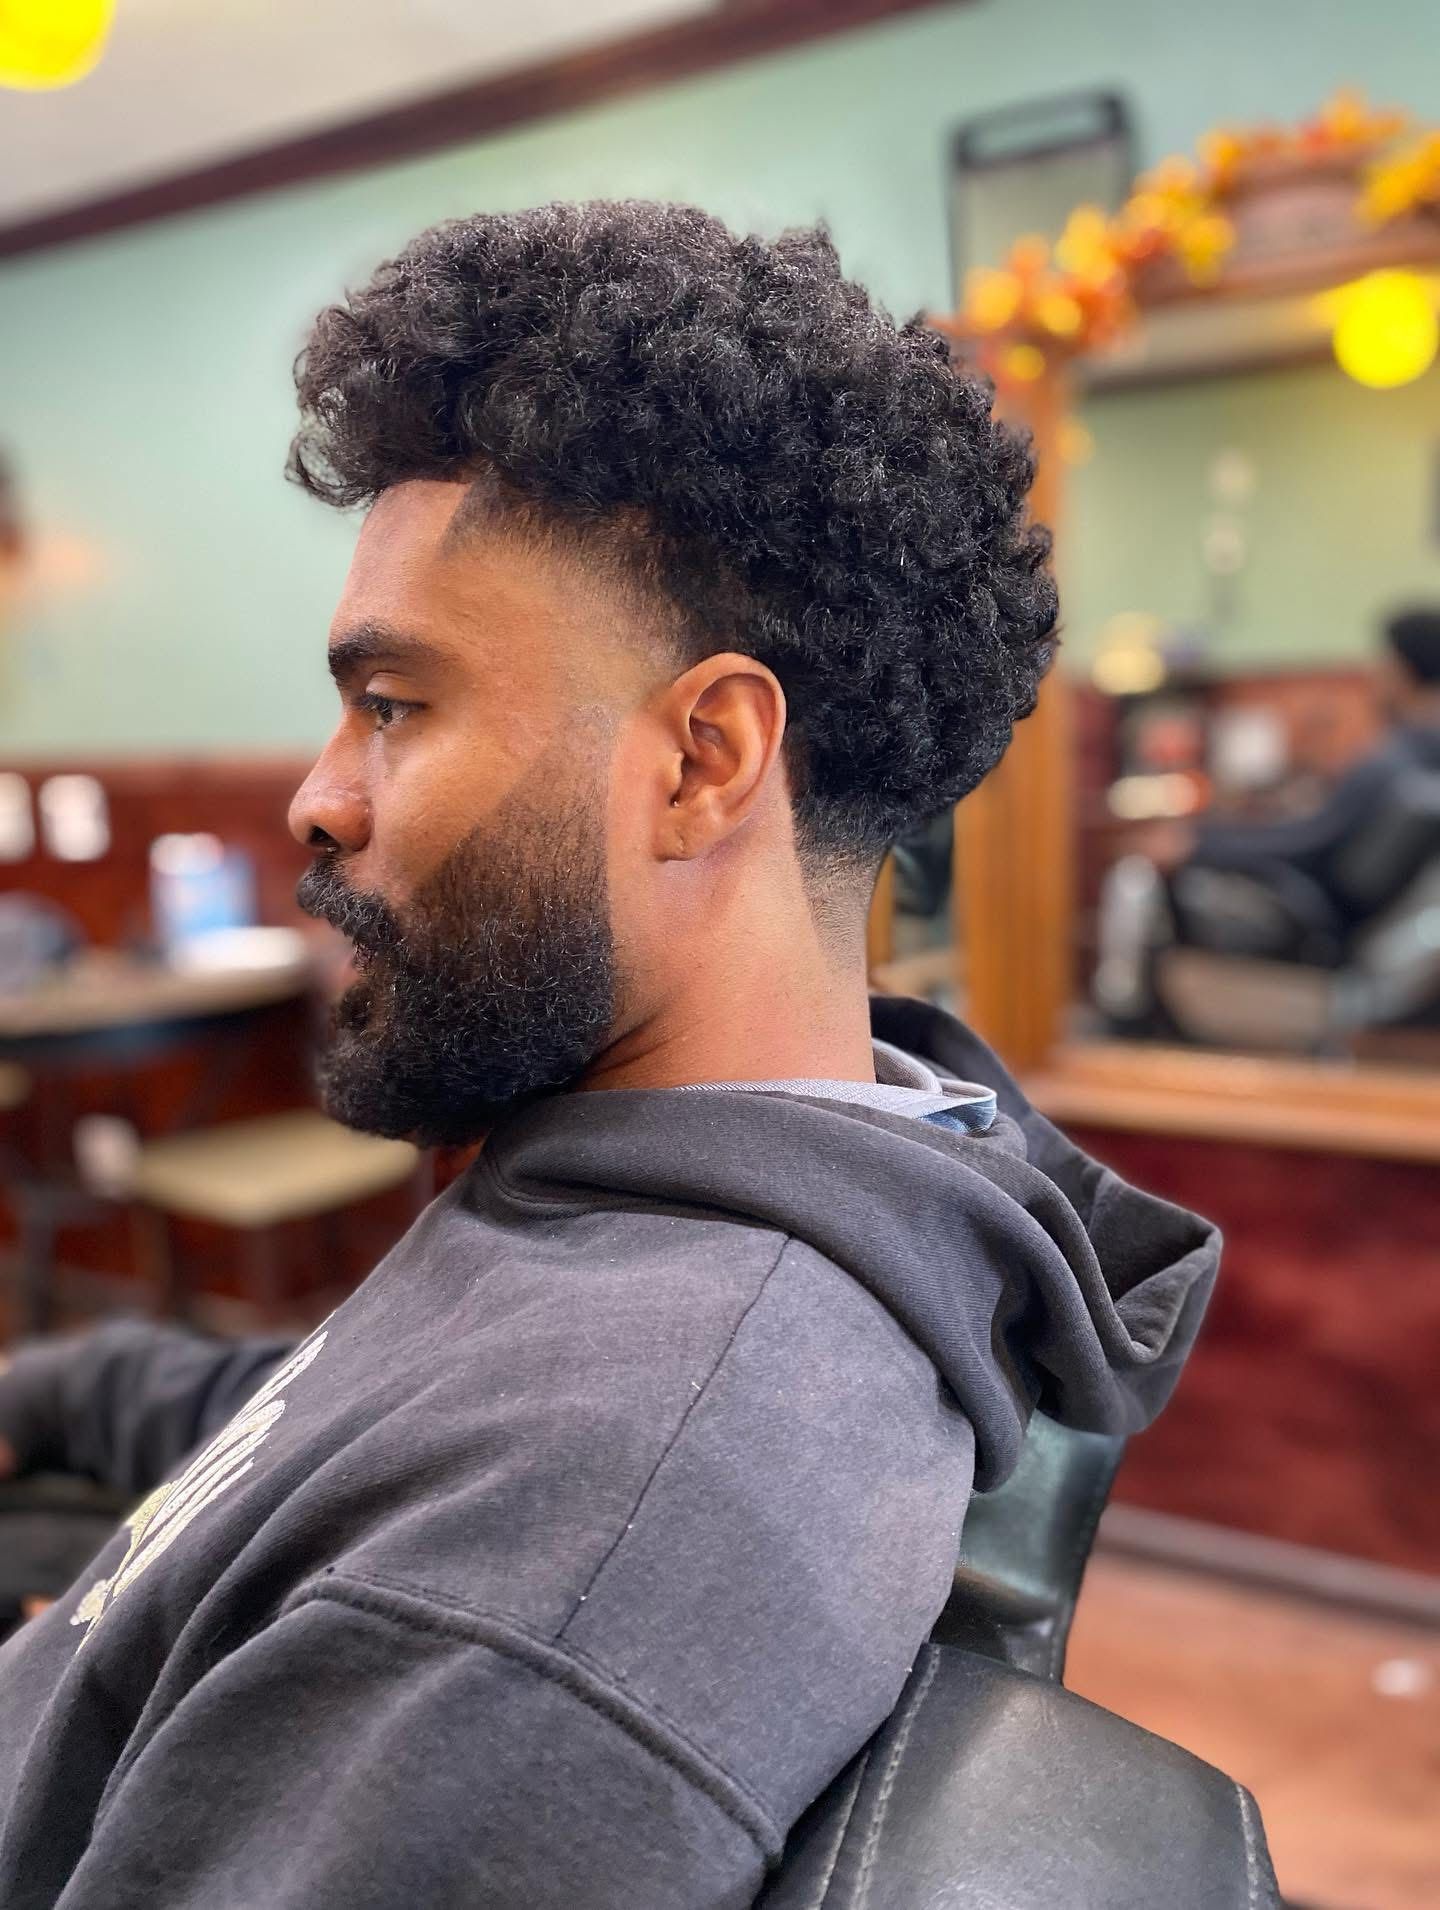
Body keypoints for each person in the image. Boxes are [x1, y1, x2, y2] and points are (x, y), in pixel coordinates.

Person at [0, 202, 1218, 1908]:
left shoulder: (574, 1561)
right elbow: (308, 1427)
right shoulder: (658, 1173)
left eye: (395, 704)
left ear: (705, 759)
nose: (318, 793)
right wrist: (44, 1396)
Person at [1096, 608, 1440, 1025]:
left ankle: (1119, 1014)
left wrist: (1196, 844)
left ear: (1403, 670)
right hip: (1331, 911)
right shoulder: (1418, 757)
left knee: (1137, 878)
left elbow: (1311, 841)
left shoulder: (1393, 761)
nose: (1375, 674)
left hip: (1312, 918)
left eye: (1384, 663)